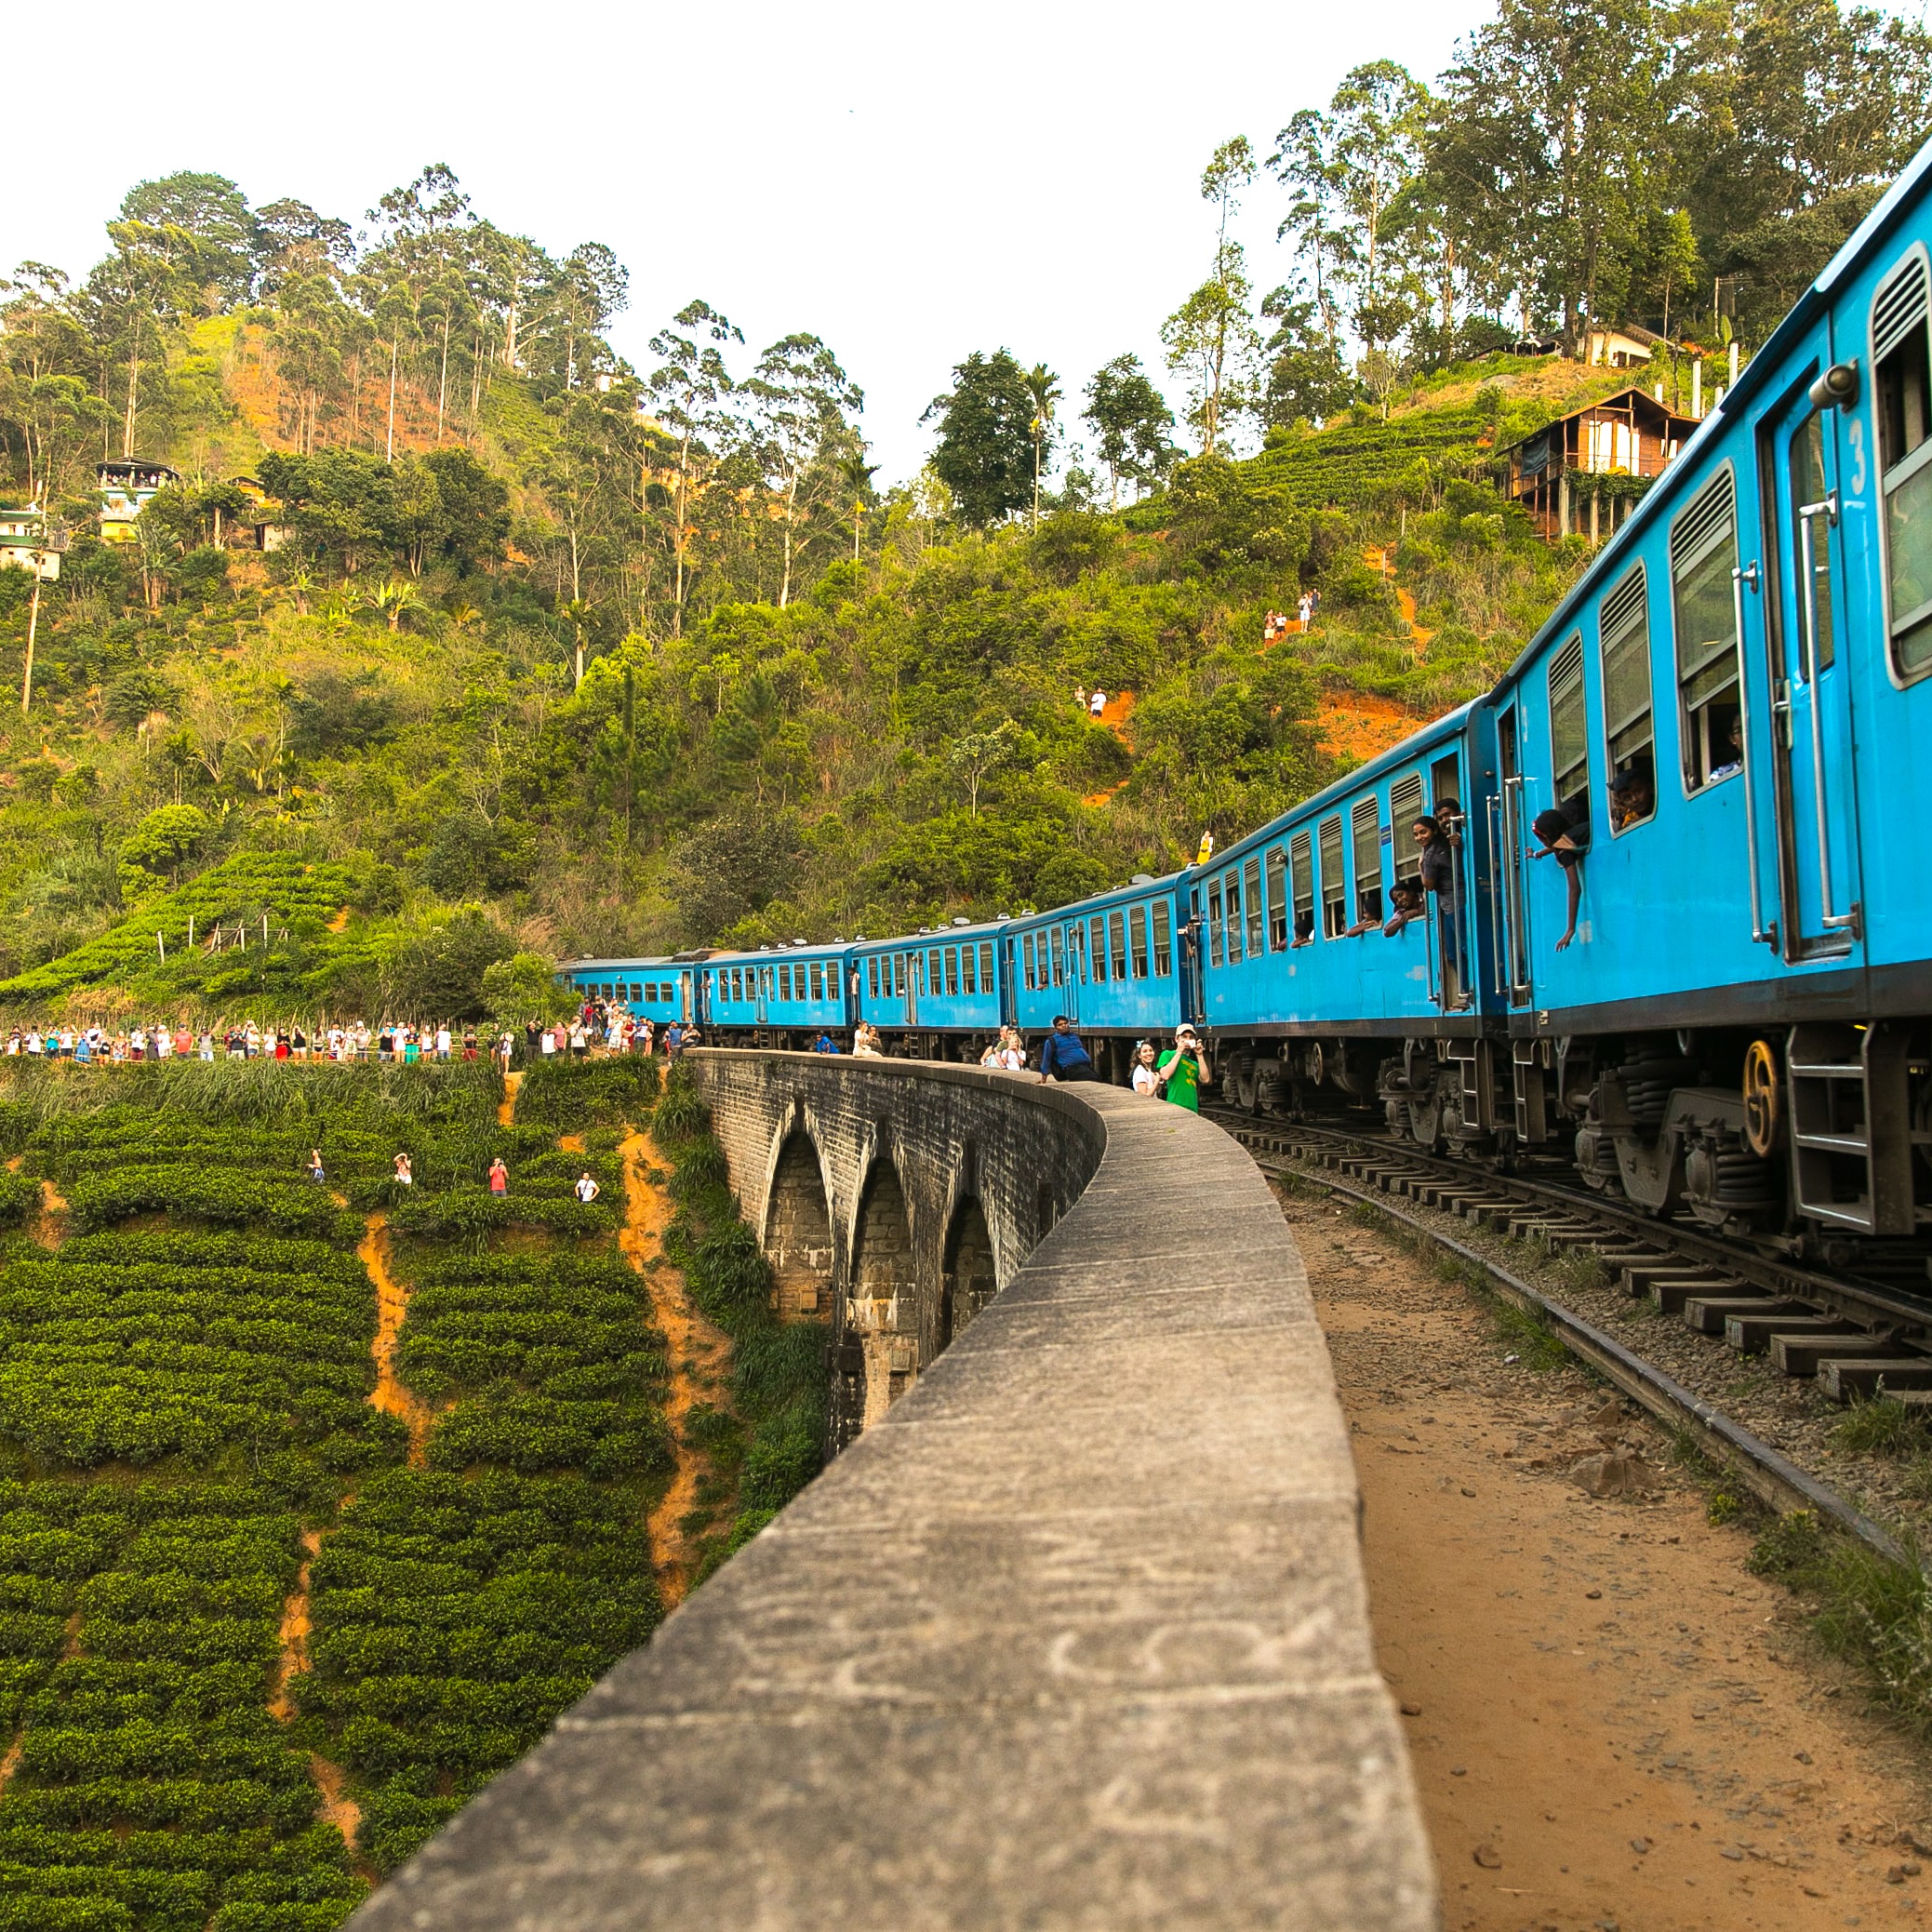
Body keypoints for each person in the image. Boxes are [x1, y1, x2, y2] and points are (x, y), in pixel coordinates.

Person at [1531, 799, 1590, 952]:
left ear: (1548, 837)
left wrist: (1570, 929)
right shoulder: (1571, 834)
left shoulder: (1564, 851)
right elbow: (1556, 845)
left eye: (1542, 839)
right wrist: (1538, 854)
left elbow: (1575, 888)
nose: (1542, 843)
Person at [1153, 1026, 1211, 1111]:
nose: (1187, 1040)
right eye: (1184, 1037)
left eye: (1191, 1037)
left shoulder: (1194, 1063)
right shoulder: (1168, 1054)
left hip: (1192, 1108)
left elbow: (1205, 1079)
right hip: (1175, 1106)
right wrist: (1179, 1051)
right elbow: (1165, 1075)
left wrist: (1200, 1055)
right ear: (1176, 1039)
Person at [1037, 1015, 1099, 1083]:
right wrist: (1044, 1078)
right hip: (1072, 1068)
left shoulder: (1074, 1036)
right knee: (1090, 1079)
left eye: (1065, 1023)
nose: (1064, 1026)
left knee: (1097, 1079)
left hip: (1085, 1066)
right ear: (1056, 1028)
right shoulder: (1052, 1041)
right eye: (1060, 1025)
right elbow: (1046, 1059)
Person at [1607, 764, 1654, 831]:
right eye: (1627, 798)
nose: (1635, 799)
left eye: (1637, 792)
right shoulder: (1629, 823)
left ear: (1649, 788)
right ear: (1623, 803)